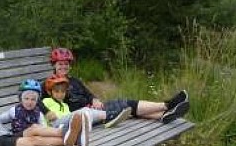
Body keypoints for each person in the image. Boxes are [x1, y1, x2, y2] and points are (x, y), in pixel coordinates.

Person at [42, 47, 189, 125]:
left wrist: (94, 99)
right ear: (54, 65)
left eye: (66, 64)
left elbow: (89, 94)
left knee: (127, 108)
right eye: (60, 64)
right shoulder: (48, 83)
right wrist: (48, 112)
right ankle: (167, 105)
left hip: (94, 108)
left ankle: (163, 115)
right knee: (126, 104)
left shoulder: (75, 80)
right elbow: (35, 101)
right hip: (84, 115)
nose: (63, 67)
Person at [42, 74, 132, 129]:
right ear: (50, 92)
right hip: (55, 125)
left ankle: (108, 118)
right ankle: (109, 116)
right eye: (56, 92)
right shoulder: (46, 101)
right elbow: (40, 111)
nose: (60, 94)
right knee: (84, 110)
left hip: (67, 125)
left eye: (63, 92)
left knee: (85, 113)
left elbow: (70, 118)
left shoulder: (65, 105)